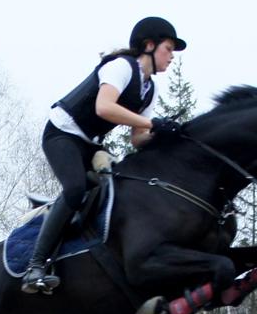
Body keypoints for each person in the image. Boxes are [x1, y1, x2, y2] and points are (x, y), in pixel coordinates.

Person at [21, 16, 188, 294]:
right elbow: (104, 107)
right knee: (75, 189)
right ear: (149, 45)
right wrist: (151, 123)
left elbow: (138, 139)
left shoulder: (150, 89)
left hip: (88, 142)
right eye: (168, 48)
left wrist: (164, 132)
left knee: (118, 187)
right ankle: (35, 266)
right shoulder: (121, 67)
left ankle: (62, 219)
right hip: (61, 133)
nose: (172, 56)